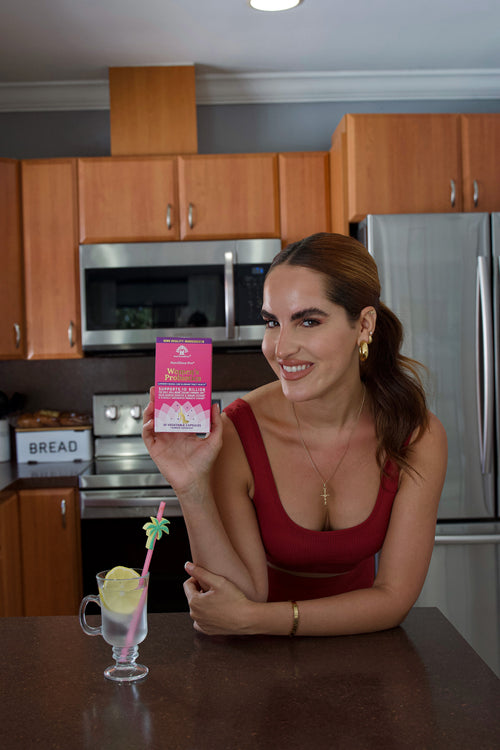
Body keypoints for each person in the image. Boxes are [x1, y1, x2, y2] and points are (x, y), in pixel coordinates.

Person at [142, 232, 447, 637]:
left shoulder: (416, 435)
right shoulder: (238, 432)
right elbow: (238, 597)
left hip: (361, 651)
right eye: (272, 322)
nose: (281, 348)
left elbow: (393, 598)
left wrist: (257, 619)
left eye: (308, 321)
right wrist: (191, 485)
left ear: (364, 325)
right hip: (257, 661)